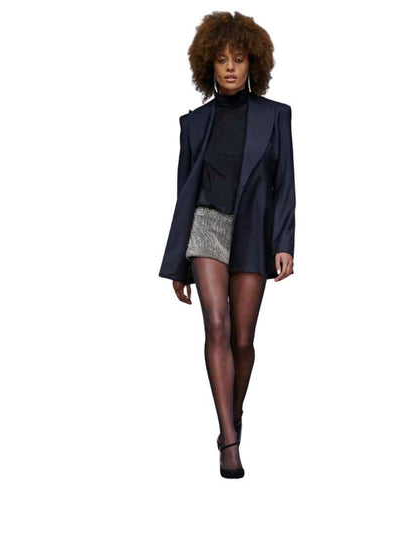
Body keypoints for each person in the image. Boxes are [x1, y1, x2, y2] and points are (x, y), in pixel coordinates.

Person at [159, 11, 296, 478]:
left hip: (255, 230)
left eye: (238, 58)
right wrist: (179, 263)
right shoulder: (193, 124)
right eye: (221, 60)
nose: (231, 67)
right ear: (209, 66)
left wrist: (284, 241)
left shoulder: (276, 116)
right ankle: (229, 441)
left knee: (242, 339)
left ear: (253, 62)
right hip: (207, 225)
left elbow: (285, 184)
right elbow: (184, 195)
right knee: (215, 324)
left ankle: (231, 416)